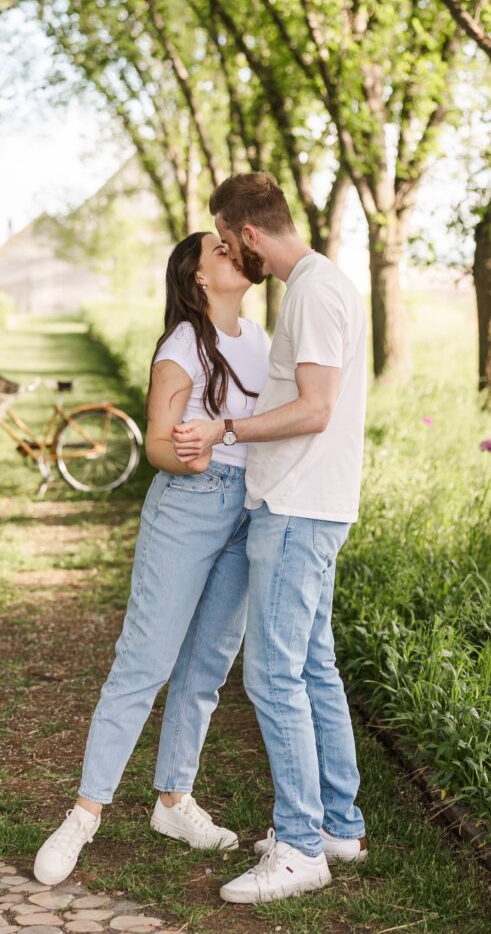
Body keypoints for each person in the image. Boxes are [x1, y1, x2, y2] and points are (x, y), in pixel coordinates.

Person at [33, 231, 270, 886]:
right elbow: (160, 448)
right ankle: (84, 813)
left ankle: (173, 800)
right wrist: (185, 451)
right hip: (188, 507)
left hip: (246, 510)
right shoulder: (182, 346)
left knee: (206, 667)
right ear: (197, 277)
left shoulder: (258, 341)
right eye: (218, 249)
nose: (232, 251)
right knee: (144, 663)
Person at [173, 173, 368, 904]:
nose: (226, 253)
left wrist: (226, 427)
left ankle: (297, 847)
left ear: (248, 236)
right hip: (310, 504)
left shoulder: (313, 292)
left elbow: (314, 409)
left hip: (294, 506)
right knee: (312, 665)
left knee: (272, 675)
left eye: (226, 242)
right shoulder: (321, 285)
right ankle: (336, 827)